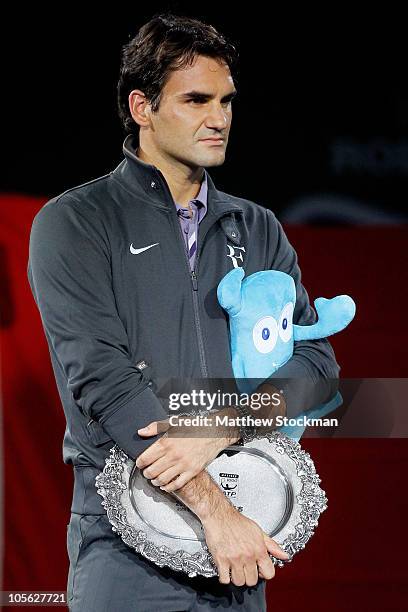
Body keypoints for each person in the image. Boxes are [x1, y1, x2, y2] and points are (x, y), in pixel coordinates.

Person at [27, 13, 339, 612]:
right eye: (196, 100)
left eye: (226, 101)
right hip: (125, 550)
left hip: (242, 544)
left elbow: (318, 367)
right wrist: (212, 509)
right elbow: (105, 384)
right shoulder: (74, 222)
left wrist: (218, 429)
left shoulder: (257, 226)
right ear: (142, 107)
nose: (218, 118)